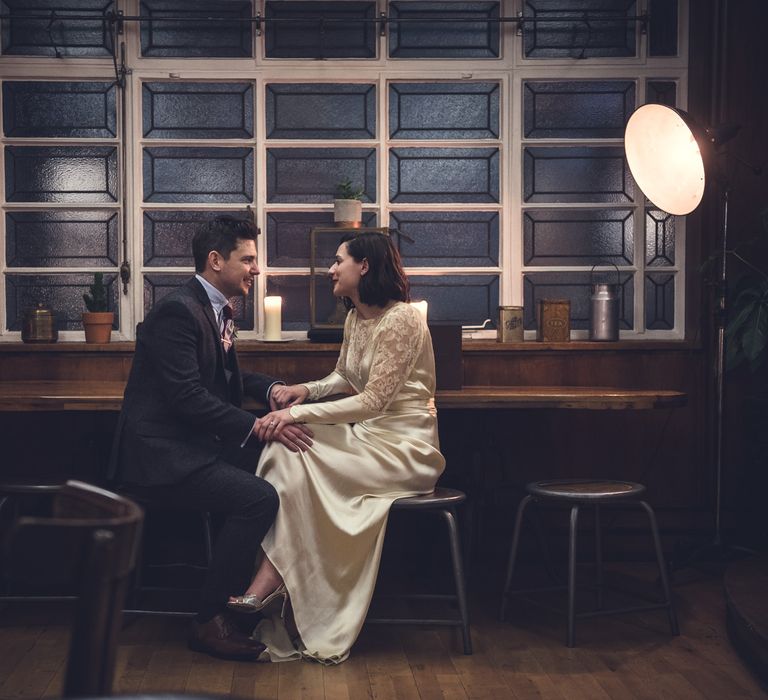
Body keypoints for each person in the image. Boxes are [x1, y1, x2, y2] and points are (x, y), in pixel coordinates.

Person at [228, 230, 446, 664]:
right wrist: (303, 391)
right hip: (366, 437)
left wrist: (293, 415)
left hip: (404, 448)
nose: (331, 267)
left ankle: (270, 584)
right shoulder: (355, 318)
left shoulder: (403, 319)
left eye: (338, 259)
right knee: (285, 450)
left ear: (364, 266)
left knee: (289, 442)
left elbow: (373, 401)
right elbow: (344, 378)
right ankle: (275, 584)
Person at [108, 216, 313, 661]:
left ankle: (250, 604)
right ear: (216, 260)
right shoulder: (177, 311)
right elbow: (187, 398)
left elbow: (223, 380)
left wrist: (270, 390)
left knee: (283, 469)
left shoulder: (214, 308)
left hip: (192, 448)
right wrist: (257, 425)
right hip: (160, 457)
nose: (256, 269)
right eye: (249, 259)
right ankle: (208, 621)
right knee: (258, 497)